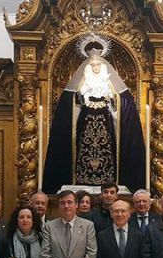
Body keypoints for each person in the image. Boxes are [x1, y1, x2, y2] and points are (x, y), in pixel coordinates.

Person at [42, 34, 145, 193]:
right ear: (88, 66)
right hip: (86, 122)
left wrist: (111, 100)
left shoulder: (108, 84)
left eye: (98, 65)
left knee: (107, 149)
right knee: (84, 149)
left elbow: (119, 105)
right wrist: (82, 98)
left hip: (105, 123)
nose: (96, 67)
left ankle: (108, 182)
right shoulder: (83, 83)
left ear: (102, 66)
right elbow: (72, 105)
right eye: (93, 65)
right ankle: (83, 178)